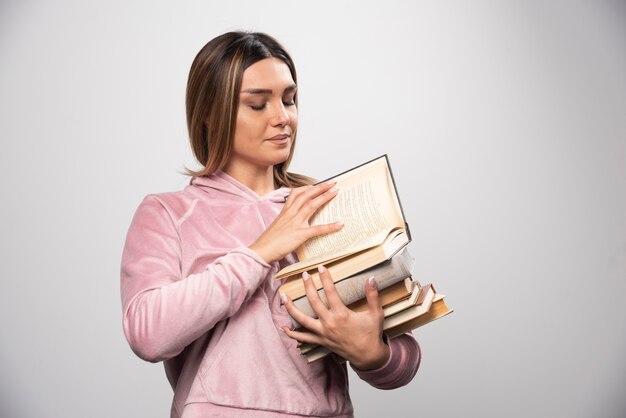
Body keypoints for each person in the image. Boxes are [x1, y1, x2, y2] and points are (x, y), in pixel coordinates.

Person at [120, 31, 421, 418]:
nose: (283, 118)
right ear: (210, 113)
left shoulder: (326, 202)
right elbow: (148, 334)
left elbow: (404, 355)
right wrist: (261, 251)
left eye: (289, 100)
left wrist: (373, 354)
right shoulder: (168, 213)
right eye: (258, 104)